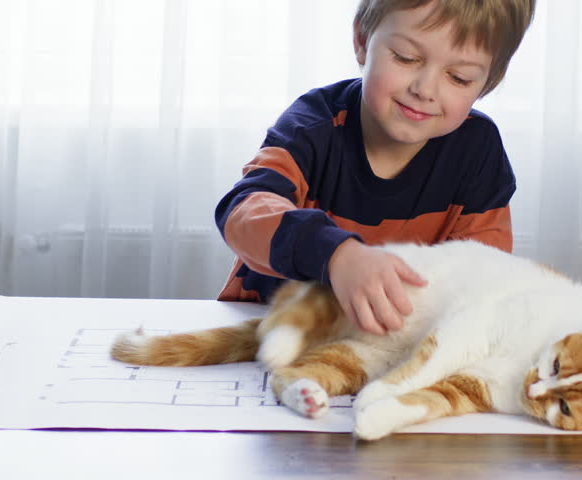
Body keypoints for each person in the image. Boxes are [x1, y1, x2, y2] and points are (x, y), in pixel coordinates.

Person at [214, 0, 535, 335]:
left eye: (458, 77)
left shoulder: (477, 149)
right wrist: (336, 255)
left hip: (390, 345)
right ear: (363, 40)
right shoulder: (313, 126)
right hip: (270, 329)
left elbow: (482, 275)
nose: (424, 90)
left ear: (488, 81)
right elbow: (241, 211)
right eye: (406, 58)